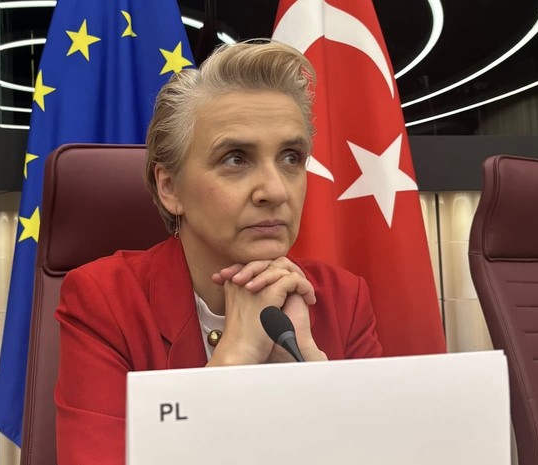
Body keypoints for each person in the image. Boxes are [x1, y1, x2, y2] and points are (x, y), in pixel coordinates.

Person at [54, 40, 382, 464]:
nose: (276, 191)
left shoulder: (342, 298)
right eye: (235, 159)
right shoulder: (105, 300)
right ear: (170, 187)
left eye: (291, 157)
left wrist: (311, 371)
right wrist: (234, 358)